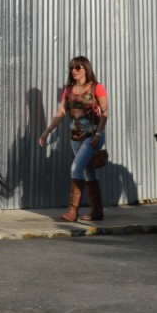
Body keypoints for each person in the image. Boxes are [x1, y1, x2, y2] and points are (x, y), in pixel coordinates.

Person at [37, 56, 109, 222]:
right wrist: (47, 132)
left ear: (86, 69)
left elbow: (105, 113)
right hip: (75, 138)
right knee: (87, 171)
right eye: (72, 68)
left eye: (78, 67)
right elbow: (61, 112)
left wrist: (98, 134)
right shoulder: (69, 90)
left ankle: (72, 211)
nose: (74, 71)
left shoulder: (96, 87)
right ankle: (97, 211)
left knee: (76, 168)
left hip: (92, 137)